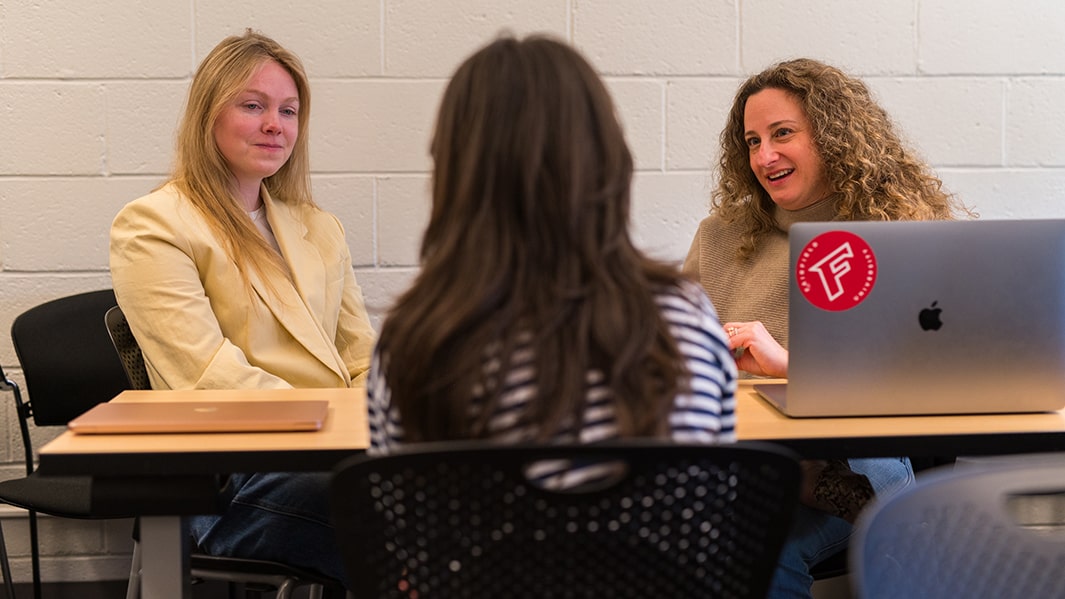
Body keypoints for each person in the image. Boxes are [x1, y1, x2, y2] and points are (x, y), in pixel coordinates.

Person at [366, 35, 737, 467]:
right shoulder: (686, 324)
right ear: (606, 159)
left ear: (455, 171)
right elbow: (716, 511)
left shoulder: (411, 343)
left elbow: (401, 523)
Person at [683, 58, 972, 598]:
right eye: (751, 141)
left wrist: (793, 367)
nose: (764, 156)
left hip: (866, 464)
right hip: (743, 466)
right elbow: (676, 361)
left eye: (782, 133)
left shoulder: (901, 232)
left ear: (833, 136)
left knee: (771, 541)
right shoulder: (719, 237)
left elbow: (933, 382)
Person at [109, 30, 375, 584]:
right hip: (231, 479)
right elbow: (208, 377)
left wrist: (386, 423)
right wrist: (343, 432)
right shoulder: (155, 225)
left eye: (289, 110)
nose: (276, 125)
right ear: (208, 116)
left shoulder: (319, 227)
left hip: (335, 454)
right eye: (253, 106)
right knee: (409, 521)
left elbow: (359, 354)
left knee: (450, 491)